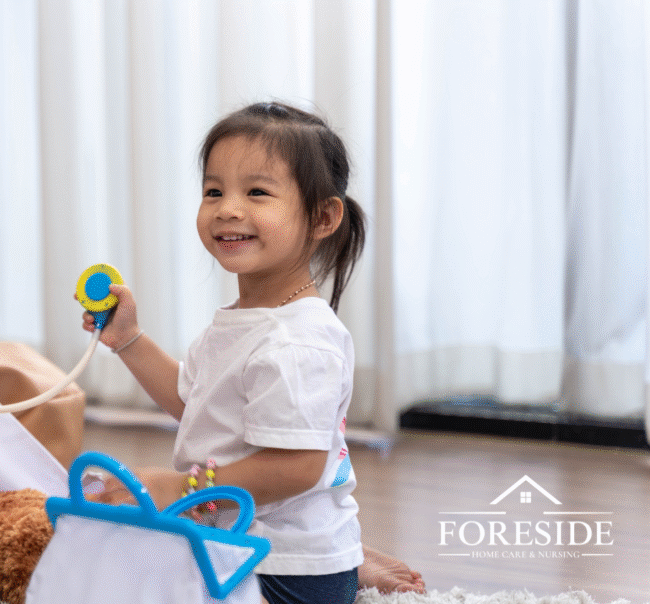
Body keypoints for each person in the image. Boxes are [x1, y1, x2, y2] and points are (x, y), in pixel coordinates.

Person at [81, 101, 424, 603]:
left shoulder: (299, 341)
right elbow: (195, 402)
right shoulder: (242, 321)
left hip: (285, 568)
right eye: (214, 191)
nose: (227, 208)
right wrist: (129, 339)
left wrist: (183, 488)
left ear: (323, 217)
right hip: (235, 538)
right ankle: (347, 553)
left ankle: (340, 562)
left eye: (257, 192)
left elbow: (297, 467)